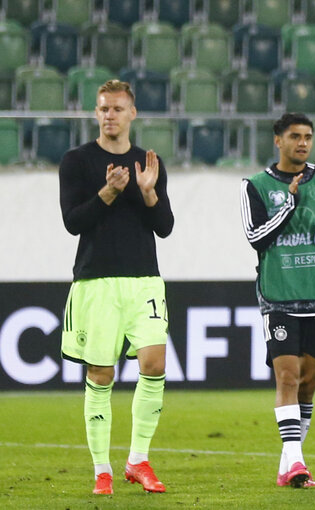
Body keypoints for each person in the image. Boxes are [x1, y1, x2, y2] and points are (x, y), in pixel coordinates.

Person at [59, 79, 174, 496]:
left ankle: (138, 460)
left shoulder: (149, 162)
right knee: (101, 373)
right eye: (104, 108)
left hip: (144, 278)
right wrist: (107, 193)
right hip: (96, 280)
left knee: (154, 365)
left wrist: (147, 194)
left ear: (132, 114)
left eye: (118, 109)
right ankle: (102, 469)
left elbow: (165, 227)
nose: (111, 115)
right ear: (96, 113)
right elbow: (73, 222)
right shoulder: (76, 161)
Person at [239, 113, 315, 488]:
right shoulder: (255, 186)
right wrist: (288, 206)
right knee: (287, 376)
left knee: (308, 381)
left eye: (307, 137)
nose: (303, 143)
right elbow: (256, 237)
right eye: (294, 136)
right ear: (278, 140)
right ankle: (297, 463)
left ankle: (289, 461)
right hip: (279, 294)